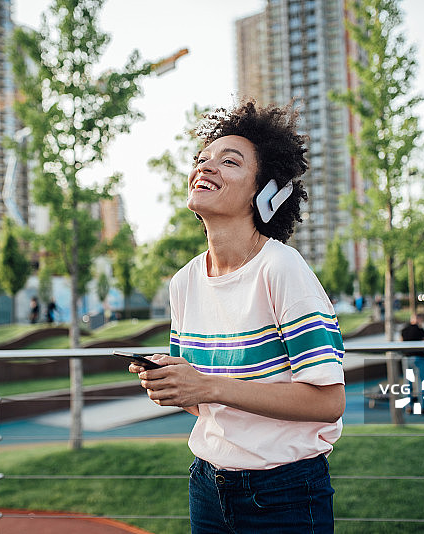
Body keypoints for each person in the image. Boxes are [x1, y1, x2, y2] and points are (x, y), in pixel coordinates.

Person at [128, 101, 345, 533]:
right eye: (202, 159)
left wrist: (208, 385)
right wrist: (175, 385)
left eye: (229, 161)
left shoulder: (281, 267)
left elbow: (328, 402)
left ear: (264, 193)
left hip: (284, 493)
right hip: (207, 486)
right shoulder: (183, 282)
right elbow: (203, 404)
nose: (205, 167)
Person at [400, 314, 424, 414]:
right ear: (418, 319)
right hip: (419, 358)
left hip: (406, 358)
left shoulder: (404, 330)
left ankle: (408, 407)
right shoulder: (421, 330)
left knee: (407, 383)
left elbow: (401, 343)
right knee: (420, 383)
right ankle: (422, 407)